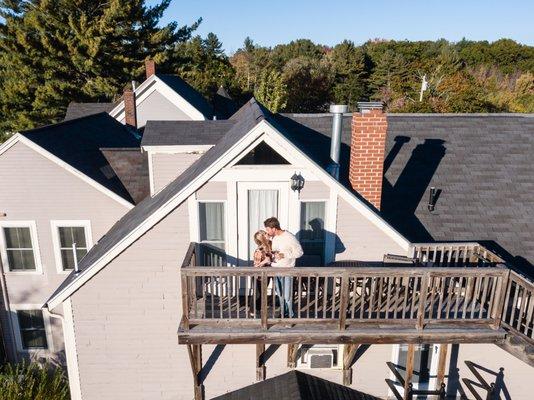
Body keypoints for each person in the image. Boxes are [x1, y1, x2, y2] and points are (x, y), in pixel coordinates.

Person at [263, 217, 303, 318]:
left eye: (268, 229)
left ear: (274, 228)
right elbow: (274, 252)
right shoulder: (274, 238)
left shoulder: (290, 237)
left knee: (287, 296)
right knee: (280, 295)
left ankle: (290, 317)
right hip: (276, 269)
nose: (267, 231)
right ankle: (283, 314)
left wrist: (284, 255)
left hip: (287, 270)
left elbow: (300, 252)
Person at [252, 230, 271, 317]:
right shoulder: (259, 250)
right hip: (259, 274)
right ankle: (253, 311)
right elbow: (256, 266)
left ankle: (258, 310)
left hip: (267, 273)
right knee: (258, 293)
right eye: (266, 234)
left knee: (262, 292)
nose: (268, 234)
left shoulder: (269, 246)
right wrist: (264, 262)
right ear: (263, 238)